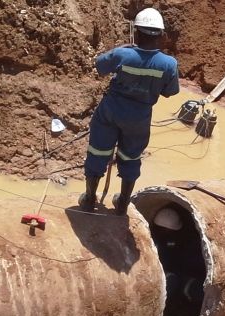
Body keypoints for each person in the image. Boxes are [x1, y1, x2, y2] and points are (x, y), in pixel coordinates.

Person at [79, 8, 180, 215]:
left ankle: (89, 198)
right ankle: (123, 203)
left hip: (110, 111)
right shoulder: (169, 64)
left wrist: (123, 49)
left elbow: (99, 66)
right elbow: (170, 92)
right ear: (160, 36)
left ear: (137, 33)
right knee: (131, 157)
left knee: (98, 152)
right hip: (139, 117)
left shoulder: (123, 54)